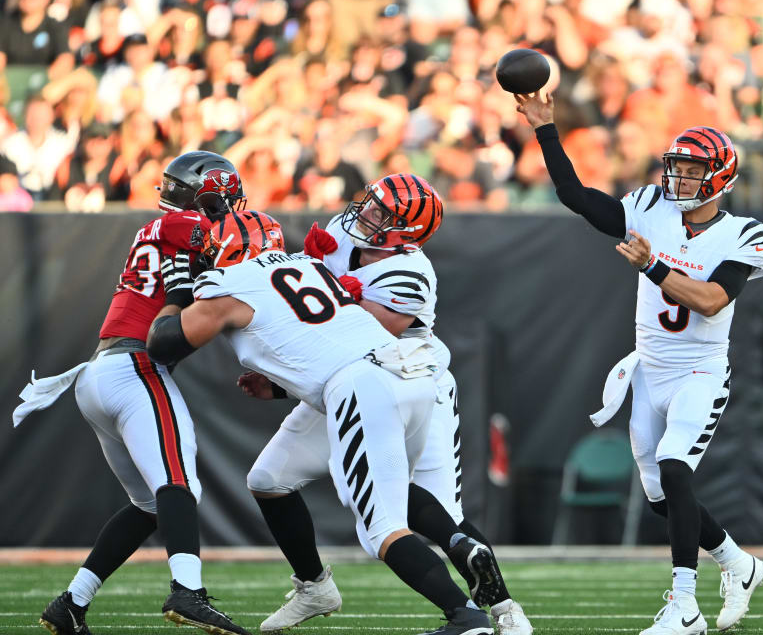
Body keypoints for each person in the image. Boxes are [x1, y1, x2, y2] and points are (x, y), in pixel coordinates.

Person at [145, 210, 495, 635]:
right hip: (408, 374)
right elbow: (318, 341)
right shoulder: (307, 265)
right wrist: (278, 387)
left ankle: (465, 617)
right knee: (270, 478)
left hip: (364, 386)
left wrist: (180, 288)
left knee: (382, 526)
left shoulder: (231, 285)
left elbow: (163, 345)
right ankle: (318, 585)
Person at [518, 92, 763, 635]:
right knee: (661, 499)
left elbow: (709, 301)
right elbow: (575, 196)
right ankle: (738, 563)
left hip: (699, 372)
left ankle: (685, 606)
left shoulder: (744, 232)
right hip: (648, 368)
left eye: (691, 170)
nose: (678, 179)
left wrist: (653, 265)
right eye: (675, 167)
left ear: (720, 176)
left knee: (677, 468)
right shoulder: (651, 206)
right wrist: (546, 131)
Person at [245, 175, 533, 635]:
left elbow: (352, 335)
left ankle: (503, 612)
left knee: (437, 512)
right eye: (373, 203)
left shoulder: (410, 273)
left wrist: (281, 383)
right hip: (348, 379)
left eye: (382, 212)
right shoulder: (346, 229)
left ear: (406, 234)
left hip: (408, 379)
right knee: (269, 478)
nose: (368, 212)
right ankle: (314, 586)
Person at [17, 151, 250, 635]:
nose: (229, 210)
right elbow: (219, 250)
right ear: (206, 195)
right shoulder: (186, 227)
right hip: (134, 369)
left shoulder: (160, 230)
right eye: (222, 199)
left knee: (150, 504)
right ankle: (188, 592)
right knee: (179, 483)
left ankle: (71, 604)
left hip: (101, 372)